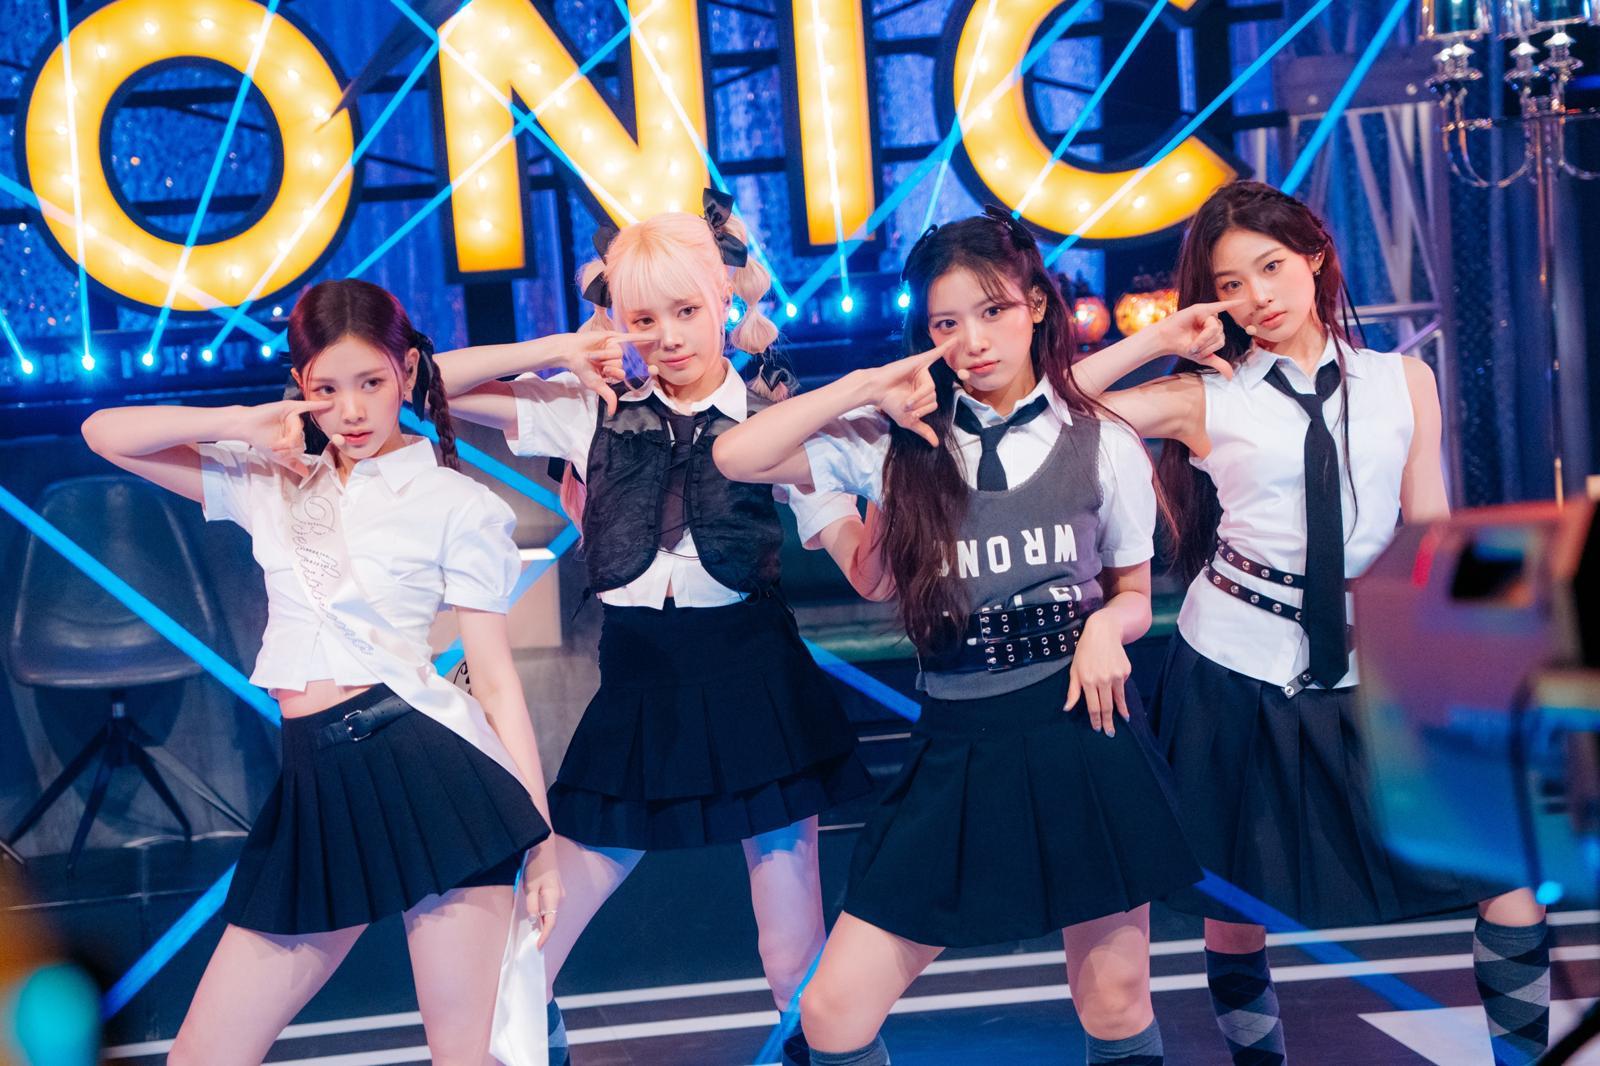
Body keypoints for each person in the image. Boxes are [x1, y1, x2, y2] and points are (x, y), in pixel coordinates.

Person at [714, 208, 1230, 1066]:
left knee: (1113, 1002)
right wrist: (865, 385)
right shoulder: (899, 445)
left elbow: (1135, 595)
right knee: (834, 1013)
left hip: (1083, 730)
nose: (973, 341)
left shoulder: (1100, 437)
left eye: (992, 311)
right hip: (957, 736)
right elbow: (737, 456)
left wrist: (1108, 625)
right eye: (946, 323)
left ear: (1036, 305)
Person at [1073, 179, 1551, 1066]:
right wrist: (1158, 339)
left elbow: (1431, 532)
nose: (1257, 297)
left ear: (1316, 258)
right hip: (1236, 662)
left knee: (1507, 875)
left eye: (1271, 267)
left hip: (1383, 657)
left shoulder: (1403, 380)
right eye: (1230, 284)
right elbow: (1051, 412)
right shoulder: (1202, 395)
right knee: (1235, 907)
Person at [437, 191, 878, 1066]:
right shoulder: (590, 408)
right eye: (645, 318)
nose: (669, 336)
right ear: (619, 322)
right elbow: (423, 378)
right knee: (528, 947)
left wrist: (895, 485)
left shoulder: (774, 416)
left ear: (723, 302)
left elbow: (866, 569)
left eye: (686, 311)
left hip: (757, 688)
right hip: (638, 694)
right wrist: (557, 350)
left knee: (794, 963)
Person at [82, 279, 560, 1066]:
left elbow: (496, 683)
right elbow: (104, 433)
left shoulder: (457, 502)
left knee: (464, 1056)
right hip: (316, 782)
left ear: (408, 372)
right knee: (202, 1055)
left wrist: (540, 844)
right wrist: (237, 422)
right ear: (299, 387)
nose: (352, 410)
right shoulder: (271, 480)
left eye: (371, 381)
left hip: (432, 774)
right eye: (327, 389)